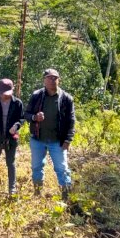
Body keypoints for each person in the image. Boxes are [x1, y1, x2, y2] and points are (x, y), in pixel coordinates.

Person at [24, 68, 76, 200]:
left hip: (57, 141)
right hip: (38, 139)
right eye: (49, 78)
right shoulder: (36, 96)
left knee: (62, 169)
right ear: (44, 80)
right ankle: (37, 193)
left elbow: (71, 120)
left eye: (55, 78)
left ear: (59, 80)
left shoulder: (66, 98)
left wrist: (68, 140)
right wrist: (35, 117)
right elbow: (26, 114)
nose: (52, 80)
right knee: (36, 167)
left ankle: (66, 197)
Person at [0, 78, 24, 195]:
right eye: (2, 94)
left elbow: (21, 119)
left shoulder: (17, 103)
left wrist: (16, 126)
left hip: (11, 138)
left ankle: (12, 188)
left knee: (10, 162)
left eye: (7, 94)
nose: (4, 96)